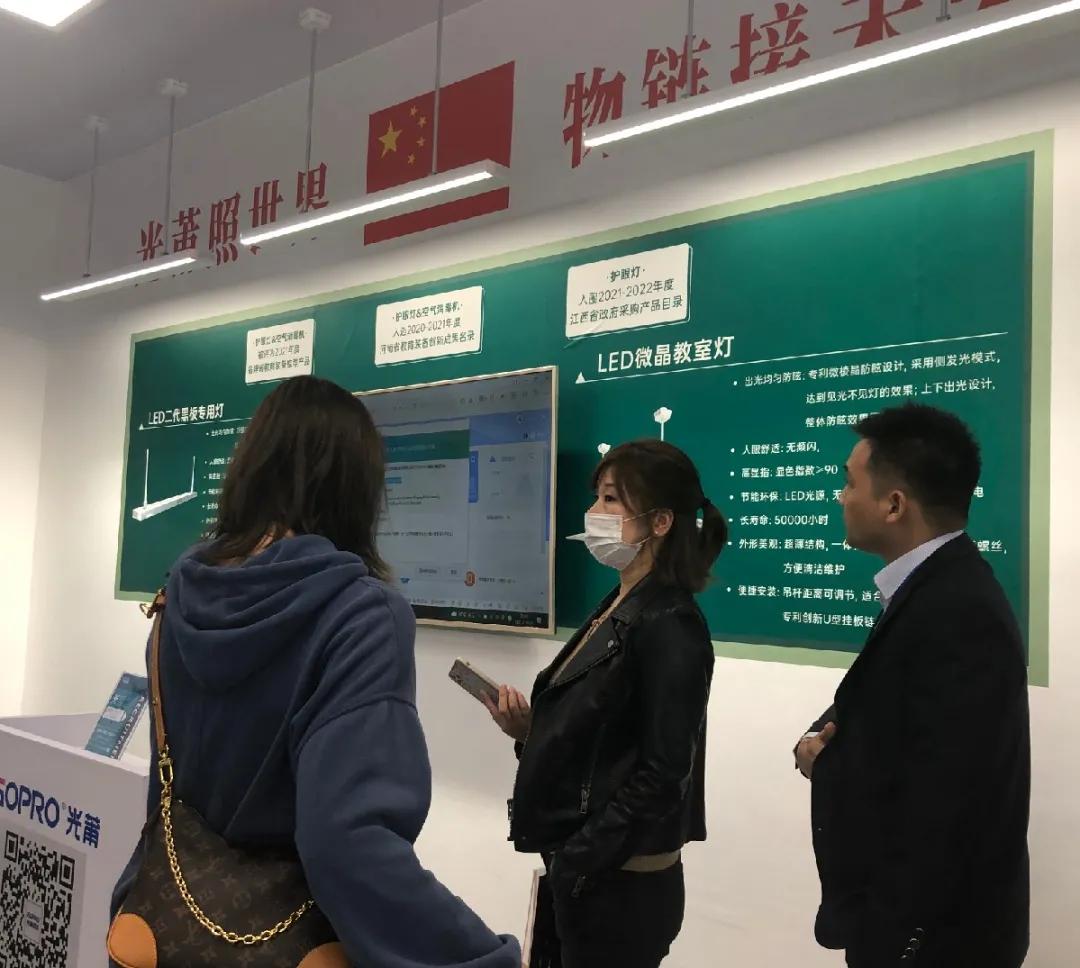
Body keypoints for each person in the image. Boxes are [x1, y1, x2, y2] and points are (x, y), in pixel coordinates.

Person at [110, 376, 520, 968]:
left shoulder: (179, 595)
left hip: (163, 928)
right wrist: (480, 958)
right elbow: (347, 843)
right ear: (358, 486)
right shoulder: (361, 614)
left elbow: (165, 796)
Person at [794, 403, 1030, 968]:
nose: (841, 497)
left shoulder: (957, 609)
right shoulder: (933, 589)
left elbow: (947, 794)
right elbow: (889, 712)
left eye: (850, 483)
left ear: (894, 504)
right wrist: (823, 739)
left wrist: (828, 761)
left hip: (932, 938)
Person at [485, 439, 727, 968]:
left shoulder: (670, 623)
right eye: (597, 496)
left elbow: (664, 773)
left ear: (660, 521)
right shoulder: (620, 604)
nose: (594, 512)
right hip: (591, 874)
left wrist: (580, 857)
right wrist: (532, 732)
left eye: (611, 499)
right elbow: (607, 735)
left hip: (621, 885)